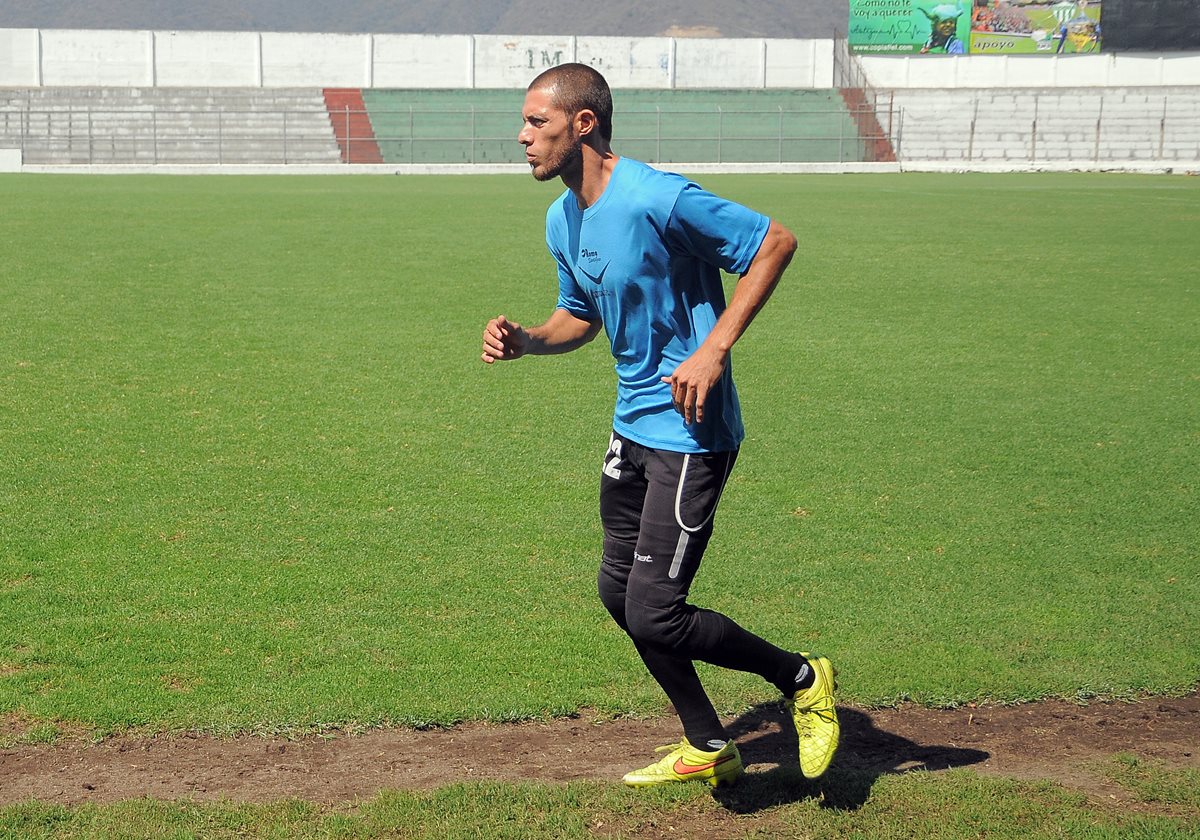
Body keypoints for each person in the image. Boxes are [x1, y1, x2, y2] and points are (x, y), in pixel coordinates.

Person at [480, 63, 839, 789]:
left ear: (583, 124)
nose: (522, 138)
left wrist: (714, 348)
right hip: (631, 427)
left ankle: (802, 678)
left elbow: (775, 242)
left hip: (691, 433)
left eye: (537, 124)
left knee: (655, 612)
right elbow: (578, 315)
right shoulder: (563, 217)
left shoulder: (658, 197)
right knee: (621, 598)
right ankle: (709, 742)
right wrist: (529, 339)